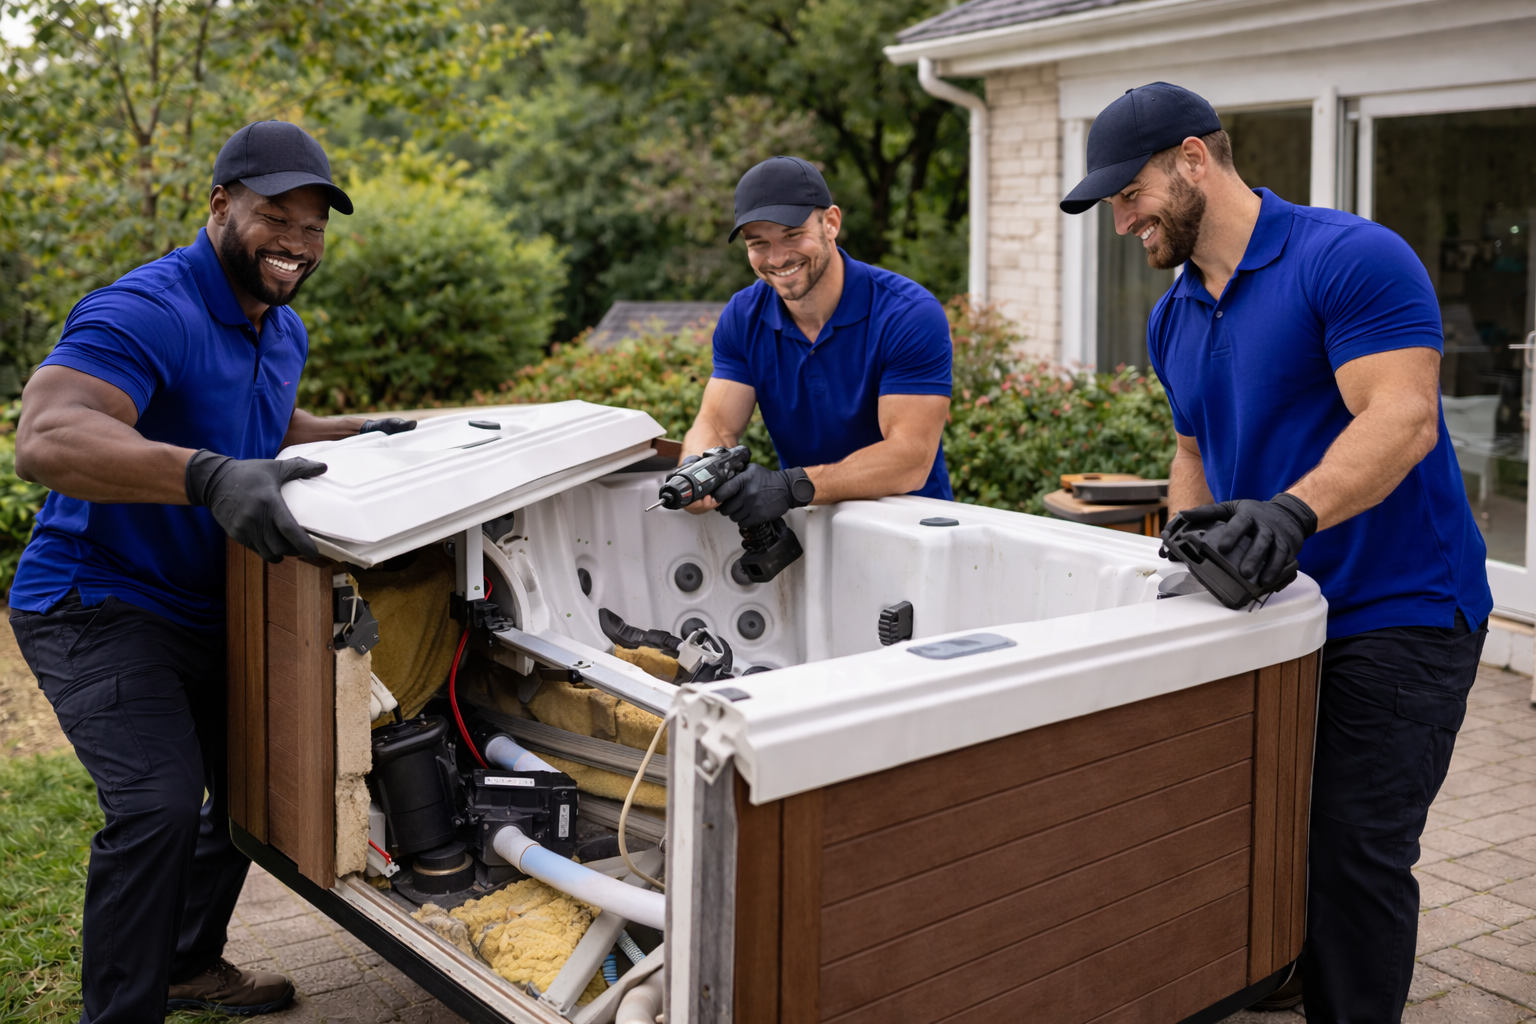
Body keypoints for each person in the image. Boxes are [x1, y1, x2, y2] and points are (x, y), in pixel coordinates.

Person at [1062, 83, 1491, 1021]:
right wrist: (1188, 538)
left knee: (1353, 851)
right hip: (1275, 617)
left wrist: (1292, 514)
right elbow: (1193, 452)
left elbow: (1404, 417)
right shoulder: (1175, 314)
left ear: (1192, 159)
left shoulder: (1347, 258)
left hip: (1401, 607)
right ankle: (1291, 972)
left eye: (1128, 194)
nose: (1121, 219)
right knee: (1253, 826)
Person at [8, 120, 414, 1022]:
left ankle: (189, 964)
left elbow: (252, 423)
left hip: (205, 605)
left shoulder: (281, 326)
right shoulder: (147, 308)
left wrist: (357, 432)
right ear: (220, 205)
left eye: (314, 228)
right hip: (93, 595)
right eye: (277, 216)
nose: (297, 245)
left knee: (257, 789)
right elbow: (48, 434)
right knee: (156, 802)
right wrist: (207, 476)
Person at [680, 155, 953, 527]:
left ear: (831, 223)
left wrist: (790, 486)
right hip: (812, 525)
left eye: (792, 235)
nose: (777, 258)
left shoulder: (909, 314)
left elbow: (909, 459)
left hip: (912, 530)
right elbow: (715, 424)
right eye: (758, 243)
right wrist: (695, 473)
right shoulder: (743, 316)